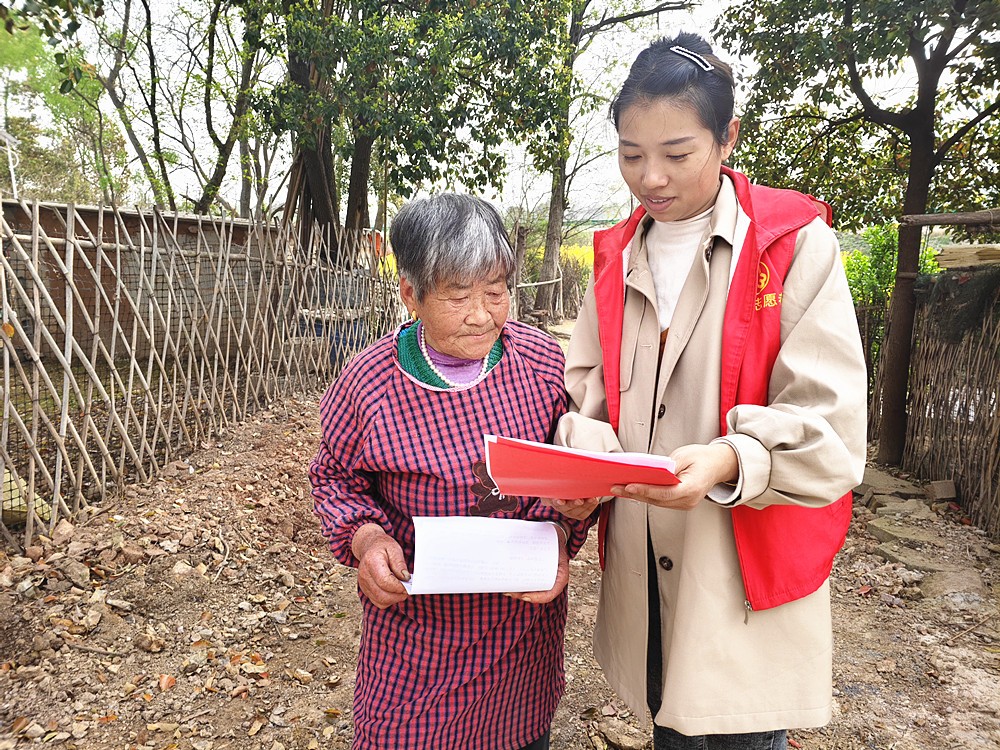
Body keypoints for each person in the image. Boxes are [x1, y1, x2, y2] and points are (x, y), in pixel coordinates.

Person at [547, 32, 868, 750]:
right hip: (644, 573)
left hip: (732, 576)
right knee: (671, 725)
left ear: (728, 137)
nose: (651, 178)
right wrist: (583, 466)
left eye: (676, 153)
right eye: (631, 155)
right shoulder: (614, 255)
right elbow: (589, 399)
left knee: (731, 733)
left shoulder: (791, 246)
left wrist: (728, 461)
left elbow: (831, 425)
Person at [309, 193, 592, 750]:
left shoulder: (542, 363)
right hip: (416, 632)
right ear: (410, 293)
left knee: (521, 735)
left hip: (521, 628)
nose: (482, 314)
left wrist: (564, 531)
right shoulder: (369, 381)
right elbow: (334, 478)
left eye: (496, 291)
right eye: (458, 296)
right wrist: (367, 541)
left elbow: (579, 466)